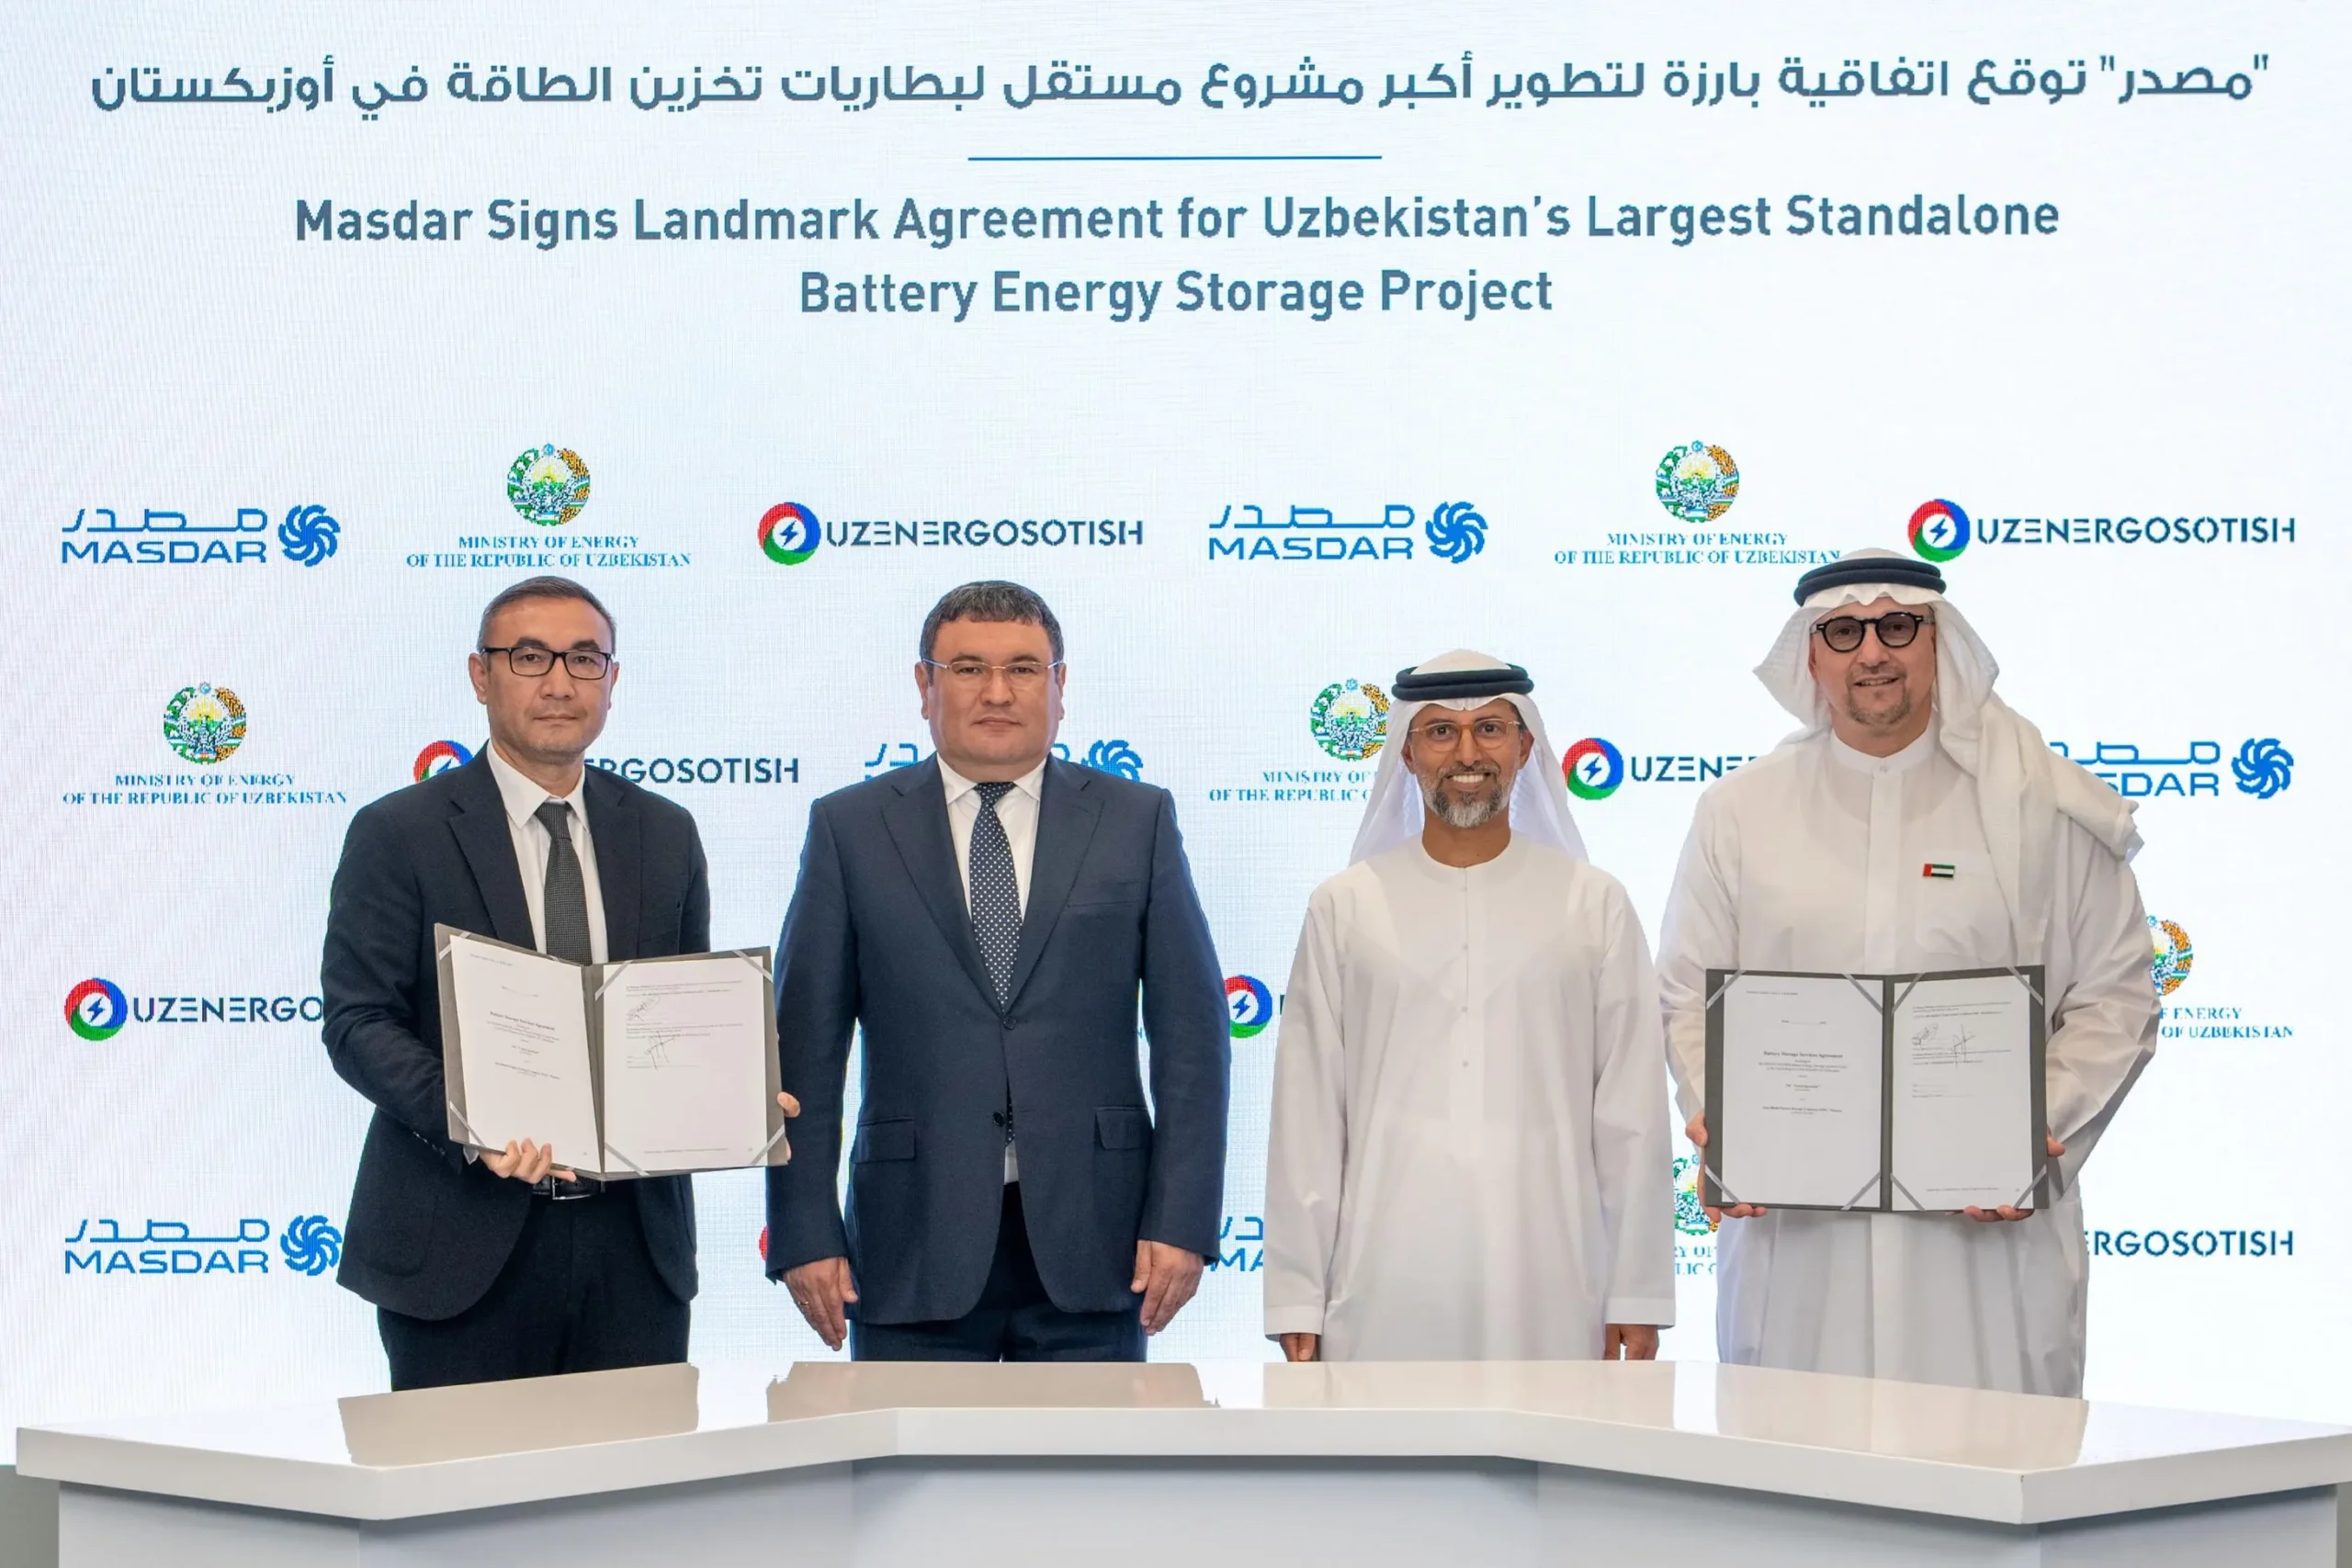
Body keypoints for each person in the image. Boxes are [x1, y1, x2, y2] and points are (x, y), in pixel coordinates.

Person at [1658, 549, 2156, 1396]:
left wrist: (2036, 1125)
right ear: (1810, 655)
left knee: (1988, 1457)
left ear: (1937, 642)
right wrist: (1729, 1118)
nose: (1872, 652)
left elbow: (2116, 993)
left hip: (1983, 1246)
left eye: (1897, 626)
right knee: (1797, 1461)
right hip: (1800, 1244)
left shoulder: (2038, 805)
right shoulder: (1740, 812)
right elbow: (1685, 994)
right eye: (1843, 632)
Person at [767, 581, 1228, 1360]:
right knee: (913, 1449)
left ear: (1059, 685)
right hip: (910, 1240)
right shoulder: (850, 827)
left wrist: (1181, 1219)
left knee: (1090, 1448)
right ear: (925, 685)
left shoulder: (1136, 820)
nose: (997, 692)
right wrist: (804, 1229)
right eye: (968, 668)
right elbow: (803, 1049)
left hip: (1100, 1241)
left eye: (1022, 668)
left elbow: (1193, 1040)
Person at [322, 576, 746, 1389]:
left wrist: (735, 1086)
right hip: (458, 1242)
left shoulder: (665, 831)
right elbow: (358, 1022)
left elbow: (674, 1013)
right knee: (458, 1473)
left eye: (584, 659)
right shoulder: (398, 832)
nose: (559, 682)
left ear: (612, 681)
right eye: (529, 657)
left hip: (635, 1248)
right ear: (480, 676)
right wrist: (475, 1119)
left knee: (634, 1471)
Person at [1261, 650, 1676, 1362]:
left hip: (1553, 1276)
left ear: (1524, 747)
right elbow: (1309, 1114)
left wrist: (1636, 1293)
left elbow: (1631, 1114)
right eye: (1440, 732)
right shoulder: (1345, 906)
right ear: (1407, 753)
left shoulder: (1593, 903)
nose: (1466, 754)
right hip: (1382, 1278)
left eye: (1489, 728)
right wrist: (1297, 1291)